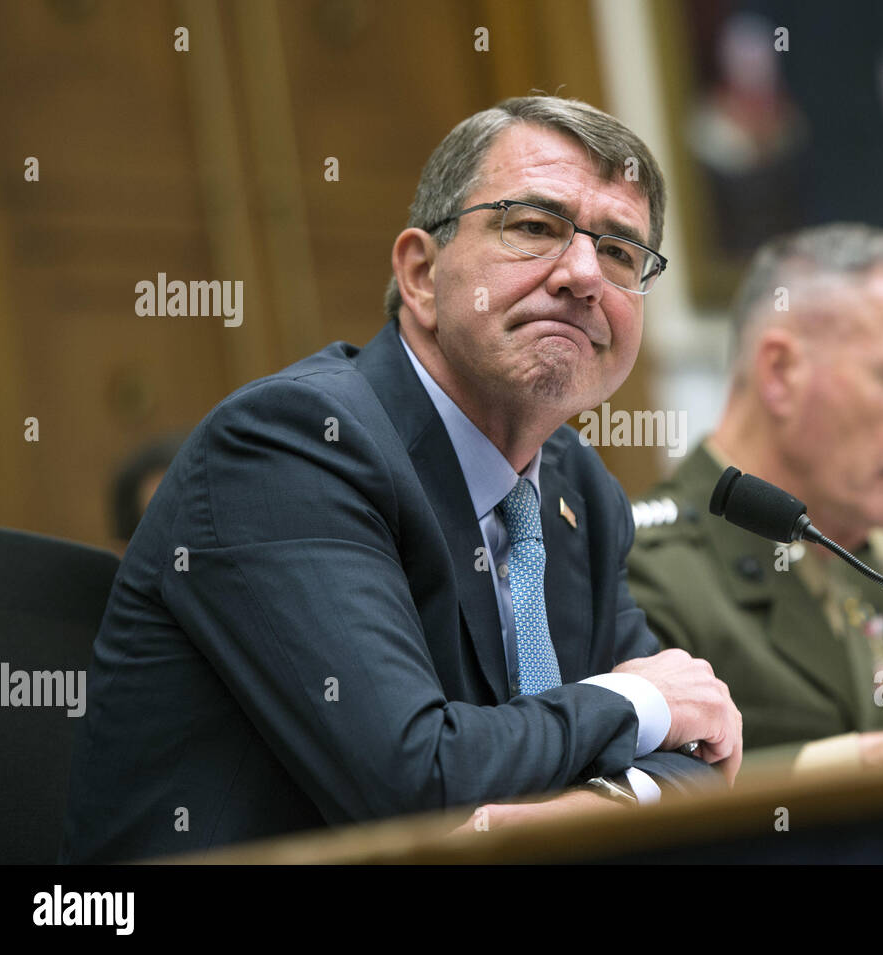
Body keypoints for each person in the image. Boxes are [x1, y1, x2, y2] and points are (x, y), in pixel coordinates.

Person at [61, 96, 742, 862]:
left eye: (620, 250)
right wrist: (639, 699)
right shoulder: (292, 444)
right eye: (535, 227)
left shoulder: (575, 487)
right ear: (420, 273)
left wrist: (613, 797)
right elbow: (415, 775)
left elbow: (699, 756)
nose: (585, 273)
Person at [628, 224, 883, 769]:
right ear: (781, 373)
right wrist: (859, 764)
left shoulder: (845, 551)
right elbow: (644, 796)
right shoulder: (646, 567)